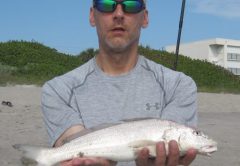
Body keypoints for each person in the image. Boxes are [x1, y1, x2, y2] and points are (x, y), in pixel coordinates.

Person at [41, 0, 198, 165]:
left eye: (131, 5)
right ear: (92, 16)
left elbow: (172, 145)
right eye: (105, 4)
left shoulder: (180, 86)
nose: (118, 14)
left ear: (144, 18)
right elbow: (71, 141)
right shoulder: (57, 91)